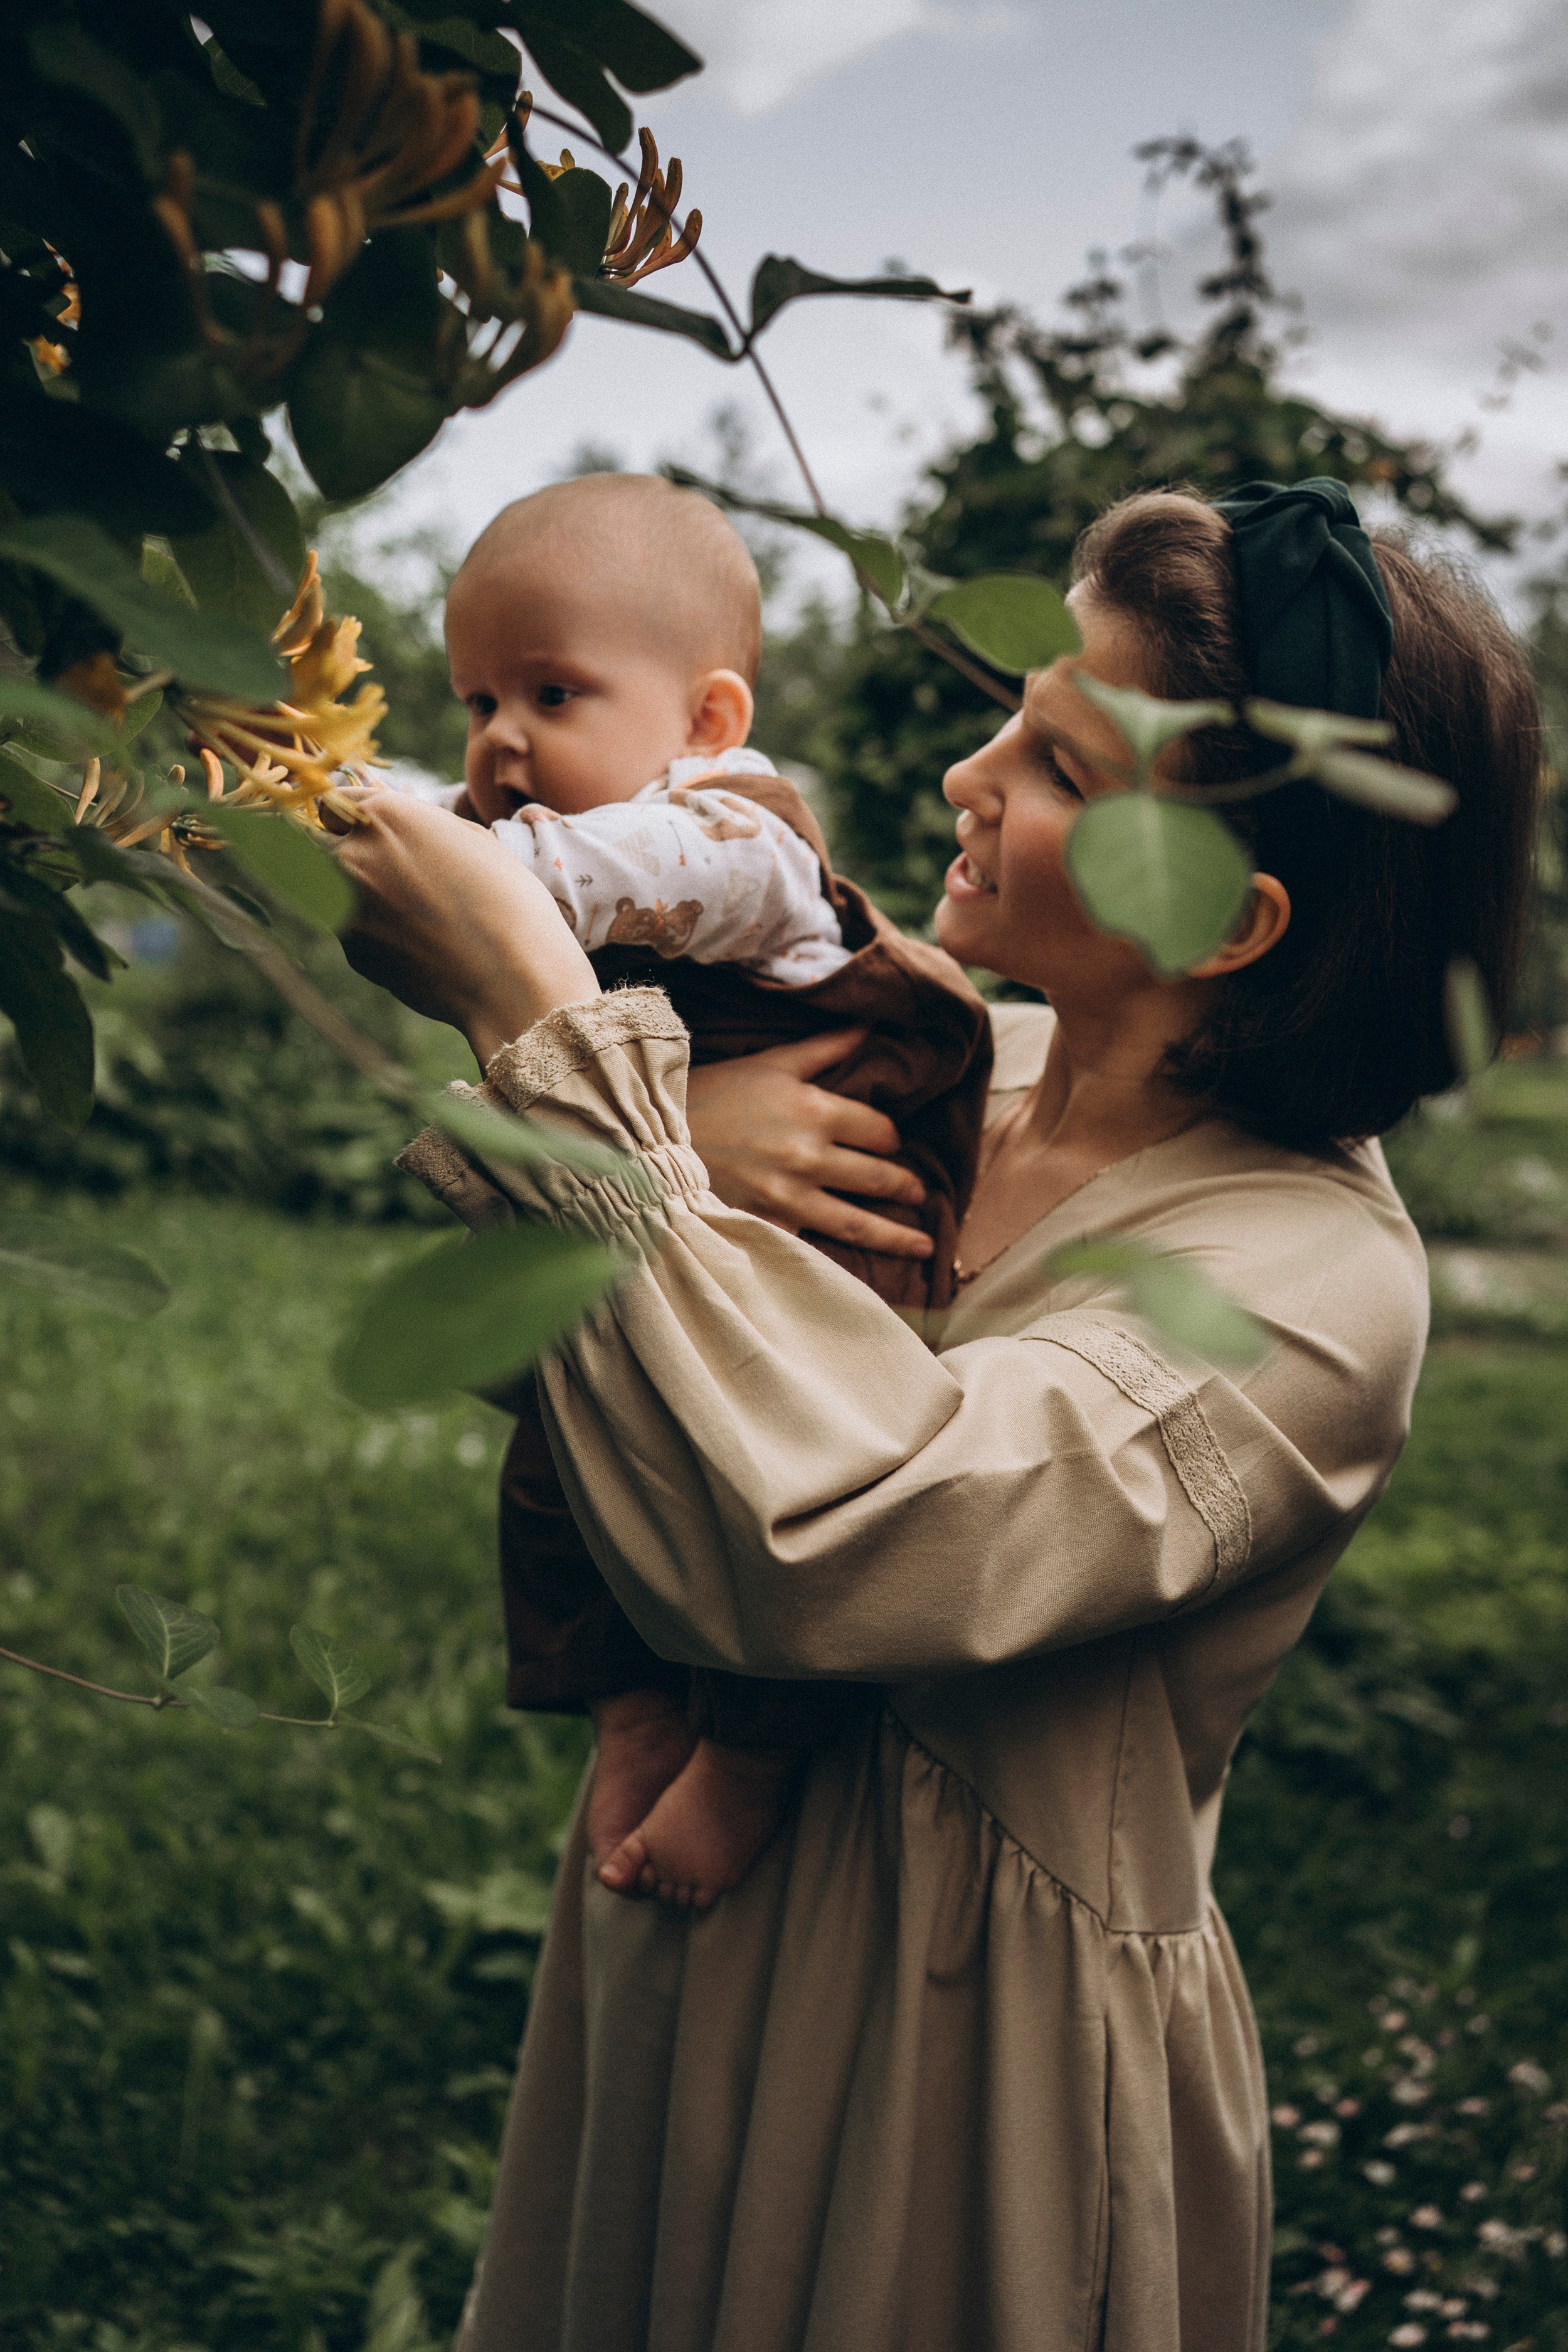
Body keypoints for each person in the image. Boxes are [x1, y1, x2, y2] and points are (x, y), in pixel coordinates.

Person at [334, 480, 1539, 2351]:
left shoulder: (1306, 1283)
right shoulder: (959, 1065)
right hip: (688, 1902)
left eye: (1053, 757)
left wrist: (551, 1034)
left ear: (1229, 917)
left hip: (963, 2034)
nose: (971, 772)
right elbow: (564, 1381)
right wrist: (691, 1144)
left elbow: (836, 1546)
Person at [427, 472, 993, 1912]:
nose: (498, 741)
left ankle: (752, 1750)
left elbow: (558, 889)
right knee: (561, 1464)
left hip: (827, 1251)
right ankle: (629, 1705)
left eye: (551, 694)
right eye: (474, 700)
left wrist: (398, 840)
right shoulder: (565, 833)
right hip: (667, 1223)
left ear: (707, 723)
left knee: (777, 1498)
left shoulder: (727, 841)